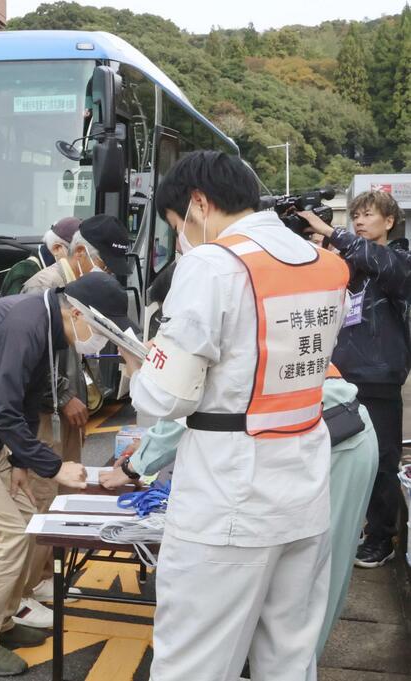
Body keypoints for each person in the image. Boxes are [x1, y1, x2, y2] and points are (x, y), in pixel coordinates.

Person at [121, 150, 349, 681]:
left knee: (194, 663)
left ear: (198, 203)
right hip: (304, 487)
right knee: (289, 658)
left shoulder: (214, 263)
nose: (180, 237)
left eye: (177, 225)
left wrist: (141, 364)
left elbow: (167, 399)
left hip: (227, 497)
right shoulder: (325, 262)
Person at [100, 267, 378, 657]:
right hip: (315, 438)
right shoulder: (241, 312)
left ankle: (299, 661)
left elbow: (185, 414)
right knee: (292, 578)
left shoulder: (221, 328)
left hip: (339, 440)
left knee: (316, 579)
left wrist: (132, 467)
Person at [0, 273, 129, 676]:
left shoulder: (45, 322)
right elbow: (4, 410)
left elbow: (27, 401)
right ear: (79, 313)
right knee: (7, 534)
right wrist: (52, 466)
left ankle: (3, 621)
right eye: (100, 331)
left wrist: (20, 462)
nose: (99, 342)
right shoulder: (24, 324)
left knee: (29, 522)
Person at [12, 215, 133, 626]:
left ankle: (45, 576)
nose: (104, 274)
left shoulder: (87, 288)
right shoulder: (41, 287)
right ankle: (20, 593)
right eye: (101, 264)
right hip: (44, 411)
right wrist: (64, 398)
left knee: (65, 491)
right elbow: (30, 362)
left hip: (70, 406)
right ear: (79, 253)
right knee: (41, 495)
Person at [300, 190, 411, 568]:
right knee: (334, 458)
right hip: (337, 377)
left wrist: (334, 234)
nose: (360, 221)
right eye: (356, 216)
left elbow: (387, 267)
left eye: (368, 215)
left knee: (381, 461)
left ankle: (381, 537)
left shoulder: (399, 258)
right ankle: (342, 528)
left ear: (390, 221)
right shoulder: (347, 261)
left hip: (379, 379)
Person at [0, 217, 80, 296]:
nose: (81, 258)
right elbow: (13, 307)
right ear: (57, 248)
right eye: (77, 251)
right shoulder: (24, 270)